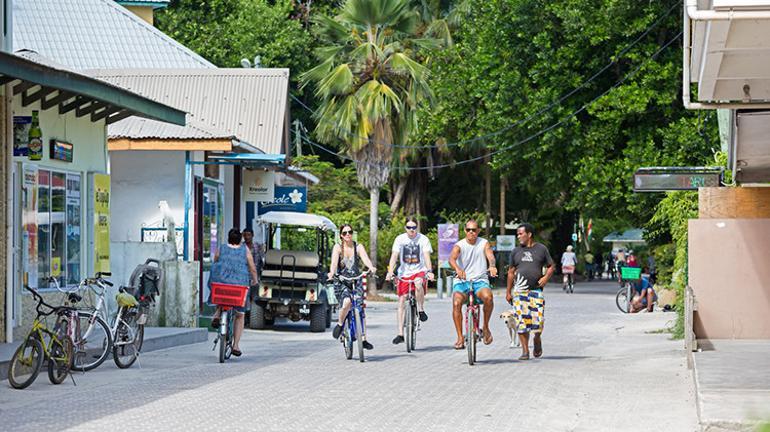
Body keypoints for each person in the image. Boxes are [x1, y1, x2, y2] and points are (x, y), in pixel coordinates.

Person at [506, 223, 555, 360]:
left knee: (538, 322)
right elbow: (510, 272)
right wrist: (508, 291)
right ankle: (525, 351)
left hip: (536, 291)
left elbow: (551, 266)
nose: (518, 236)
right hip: (519, 292)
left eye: (521, 234)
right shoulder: (515, 251)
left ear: (529, 234)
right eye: (517, 234)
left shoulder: (541, 249)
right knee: (522, 322)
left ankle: (537, 338)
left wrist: (546, 277)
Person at [448, 219, 498, 349]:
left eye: (474, 230)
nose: (471, 232)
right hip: (462, 281)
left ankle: (485, 327)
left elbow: (490, 256)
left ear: (478, 231)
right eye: (469, 230)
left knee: (488, 297)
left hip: (480, 280)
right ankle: (460, 337)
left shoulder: (484, 243)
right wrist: (458, 269)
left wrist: (492, 266)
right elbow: (452, 259)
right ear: (465, 231)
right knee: (456, 303)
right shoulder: (459, 245)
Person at [385, 216, 434, 345]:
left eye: (414, 227)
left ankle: (421, 309)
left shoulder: (423, 239)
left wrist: (429, 271)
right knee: (402, 300)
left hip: (419, 271)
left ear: (417, 227)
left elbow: (426, 257)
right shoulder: (399, 239)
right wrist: (390, 272)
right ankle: (400, 333)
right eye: (409, 227)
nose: (411, 230)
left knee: (418, 283)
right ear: (405, 228)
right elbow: (394, 256)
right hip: (404, 273)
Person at [210, 228, 258, 357]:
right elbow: (252, 268)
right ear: (240, 239)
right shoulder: (245, 250)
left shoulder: (221, 248)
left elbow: (215, 262)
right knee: (239, 315)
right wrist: (255, 280)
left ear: (228, 238)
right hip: (239, 287)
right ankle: (236, 345)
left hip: (222, 284)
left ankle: (217, 313)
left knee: (217, 287)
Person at [327, 224, 376, 350]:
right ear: (341, 236)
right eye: (345, 233)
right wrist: (332, 273)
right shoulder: (338, 247)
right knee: (347, 302)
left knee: (360, 308)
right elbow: (333, 263)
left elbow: (365, 259)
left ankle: (364, 339)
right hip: (342, 281)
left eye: (350, 232)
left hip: (356, 279)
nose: (348, 234)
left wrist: (370, 267)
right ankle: (340, 323)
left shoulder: (358, 247)